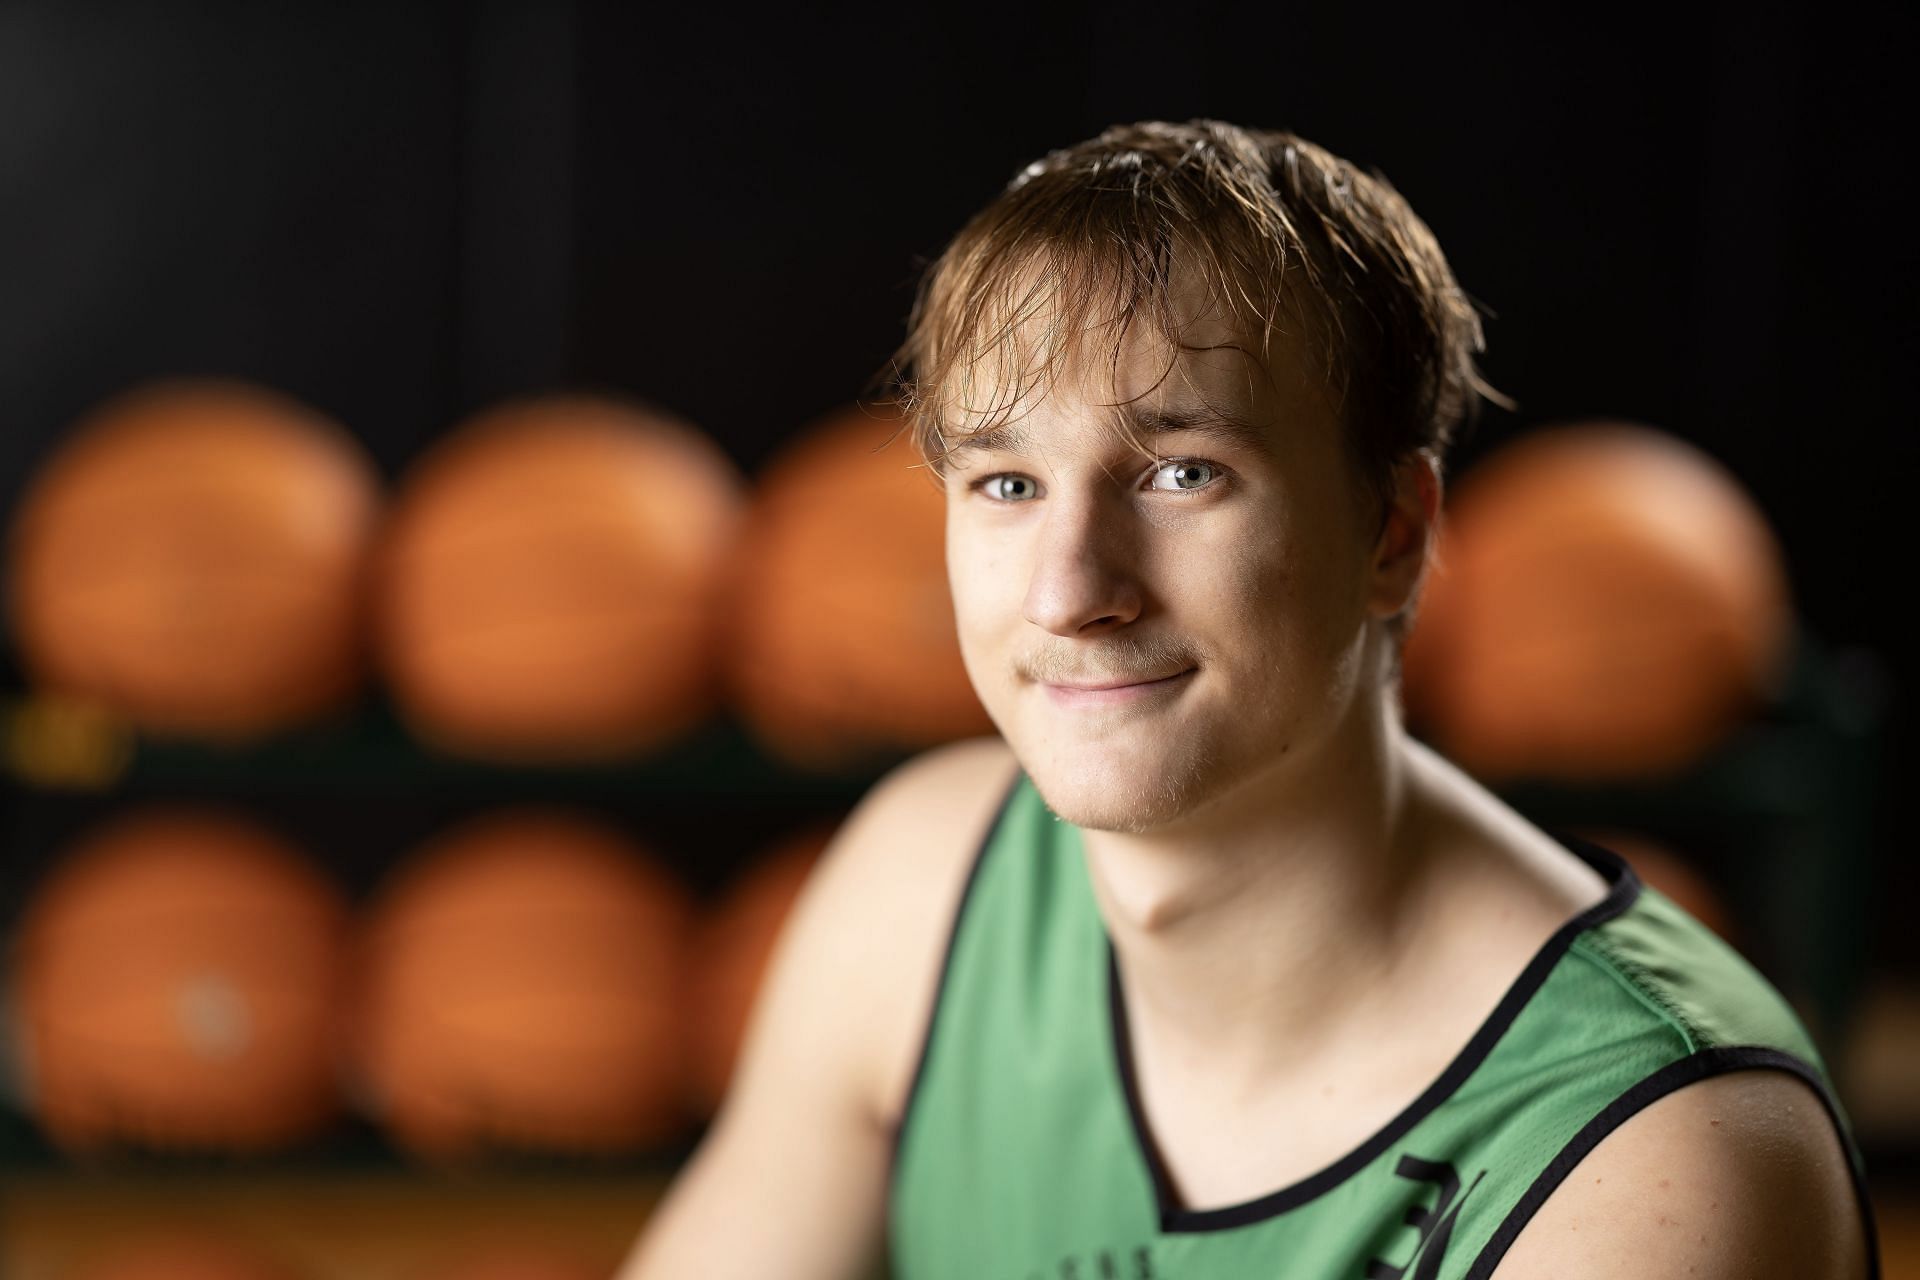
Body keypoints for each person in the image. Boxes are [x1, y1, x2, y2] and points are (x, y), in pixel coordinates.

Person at [619, 120, 1877, 1279]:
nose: (1071, 591)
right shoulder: (925, 885)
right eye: (1006, 483)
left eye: (1182, 471)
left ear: (1391, 530)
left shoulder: (1655, 1148)